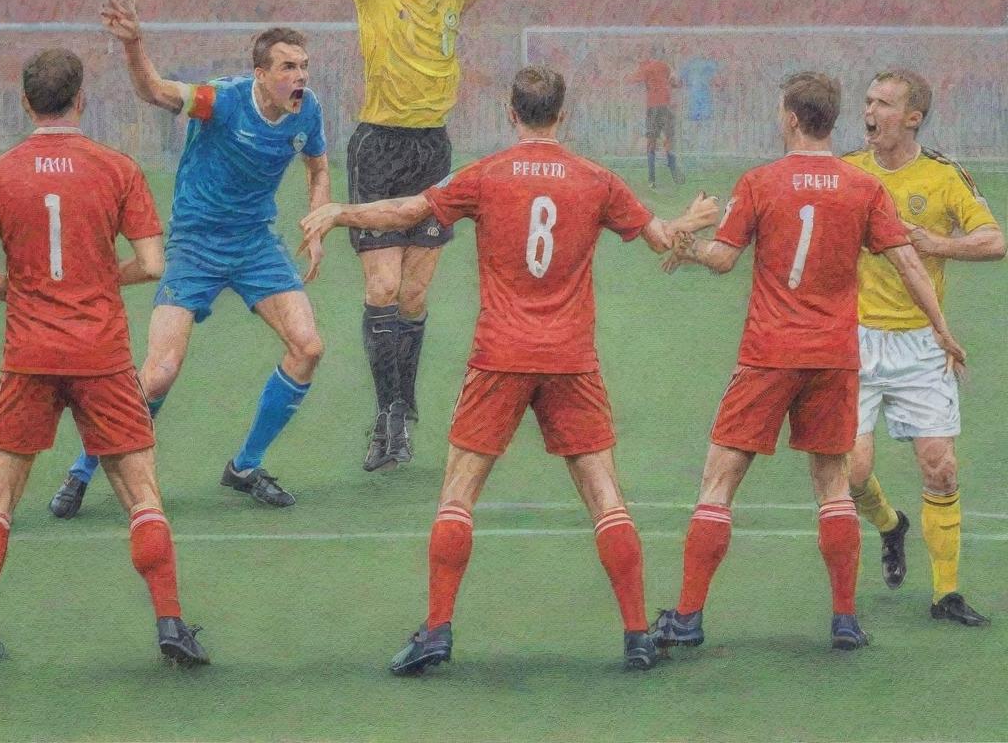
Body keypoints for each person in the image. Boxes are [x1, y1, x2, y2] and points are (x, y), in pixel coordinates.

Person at [299, 66, 721, 673]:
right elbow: (662, 243)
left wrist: (340, 212)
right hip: (570, 360)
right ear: (563, 114)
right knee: (605, 495)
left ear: (511, 113)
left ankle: (438, 631)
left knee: (457, 496)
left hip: (500, 356)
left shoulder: (486, 175)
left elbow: (407, 213)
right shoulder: (595, 180)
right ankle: (635, 634)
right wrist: (691, 221)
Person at [651, 72, 966, 652]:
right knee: (832, 486)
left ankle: (689, 616)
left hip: (770, 354)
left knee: (720, 480)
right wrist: (943, 330)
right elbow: (908, 265)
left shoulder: (760, 182)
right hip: (834, 357)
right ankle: (845, 620)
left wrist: (686, 248)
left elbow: (722, 259)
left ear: (791, 118)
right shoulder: (863, 187)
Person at [48, 0, 330, 517]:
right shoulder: (220, 101)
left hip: (254, 245)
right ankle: (82, 469)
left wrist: (317, 218)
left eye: (304, 66)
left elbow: (317, 167)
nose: (300, 76)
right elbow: (155, 91)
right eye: (289, 66)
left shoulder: (306, 110)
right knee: (160, 371)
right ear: (260, 73)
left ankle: (244, 466)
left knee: (308, 347)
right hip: (195, 244)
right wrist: (134, 42)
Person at [339, 0, 547, 471]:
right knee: (380, 288)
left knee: (415, 294)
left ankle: (400, 415)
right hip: (378, 148)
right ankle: (388, 414)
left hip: (432, 151)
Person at [0, 48, 208, 665]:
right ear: (83, 99)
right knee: (141, 494)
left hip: (29, 353)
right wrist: (107, 279)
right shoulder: (116, 168)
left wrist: (14, 288)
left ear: (26, 104)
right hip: (101, 355)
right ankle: (170, 625)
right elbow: (156, 262)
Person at [844, 69, 1005, 626]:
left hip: (921, 343)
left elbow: (995, 240)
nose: (870, 112)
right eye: (868, 101)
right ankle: (891, 526)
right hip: (855, 341)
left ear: (912, 117)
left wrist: (937, 242)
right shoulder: (847, 171)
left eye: (884, 104)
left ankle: (946, 593)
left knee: (940, 468)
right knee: (853, 474)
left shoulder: (941, 177)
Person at [625, 52, 684, 187]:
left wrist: (626, 76)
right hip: (666, 107)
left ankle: (652, 179)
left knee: (651, 142)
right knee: (668, 140)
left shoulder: (647, 67)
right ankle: (674, 174)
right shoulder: (665, 66)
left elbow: (632, 80)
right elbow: (676, 83)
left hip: (654, 108)